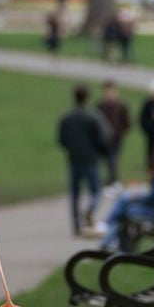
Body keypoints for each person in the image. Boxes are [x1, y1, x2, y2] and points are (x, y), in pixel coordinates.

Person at [58, 84, 111, 235]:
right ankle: (89, 211)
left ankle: (76, 224)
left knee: (75, 194)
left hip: (74, 159)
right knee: (96, 191)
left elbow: (62, 139)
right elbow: (104, 137)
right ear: (87, 97)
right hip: (91, 159)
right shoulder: (94, 116)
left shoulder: (67, 118)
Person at [95, 79, 130, 187]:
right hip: (102, 140)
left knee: (112, 161)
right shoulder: (100, 106)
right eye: (107, 91)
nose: (109, 94)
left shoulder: (121, 106)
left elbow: (127, 122)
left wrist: (120, 133)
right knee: (101, 161)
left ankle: (113, 181)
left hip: (116, 139)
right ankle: (102, 181)